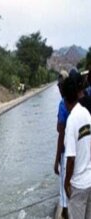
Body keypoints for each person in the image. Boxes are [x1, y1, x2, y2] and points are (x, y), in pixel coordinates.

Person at [62, 75, 91, 219]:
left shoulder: (71, 120)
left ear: (65, 98)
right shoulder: (86, 113)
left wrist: (66, 183)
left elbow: (71, 159)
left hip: (79, 186)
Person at [54, 70, 69, 219]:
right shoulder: (77, 101)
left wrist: (56, 159)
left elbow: (61, 132)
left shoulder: (62, 104)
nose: (59, 89)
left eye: (60, 86)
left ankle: (65, 212)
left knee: (64, 186)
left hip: (66, 151)